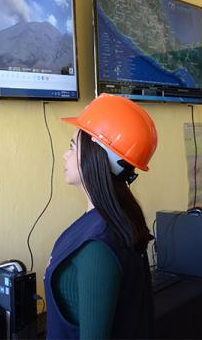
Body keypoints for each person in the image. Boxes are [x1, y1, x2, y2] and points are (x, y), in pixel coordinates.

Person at [44, 93, 158, 340]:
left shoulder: (98, 246)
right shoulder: (114, 218)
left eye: (72, 147)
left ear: (96, 156)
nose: (65, 155)